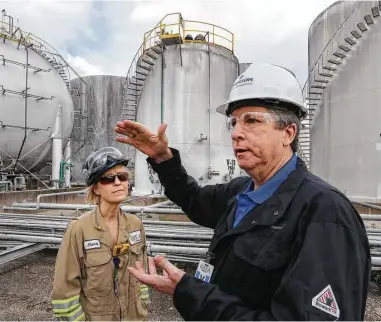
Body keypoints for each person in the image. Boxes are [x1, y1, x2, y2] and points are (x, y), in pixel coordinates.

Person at [115, 63, 371, 321]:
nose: (236, 133)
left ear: (288, 133)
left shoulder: (325, 212)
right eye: (234, 122)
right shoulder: (241, 192)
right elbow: (193, 199)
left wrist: (189, 291)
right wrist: (162, 157)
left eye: (252, 120)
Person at [51, 147, 149, 321]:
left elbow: (143, 276)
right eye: (108, 179)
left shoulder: (135, 225)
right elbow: (64, 291)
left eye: (123, 177)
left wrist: (143, 306)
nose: (118, 182)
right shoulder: (79, 229)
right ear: (96, 189)